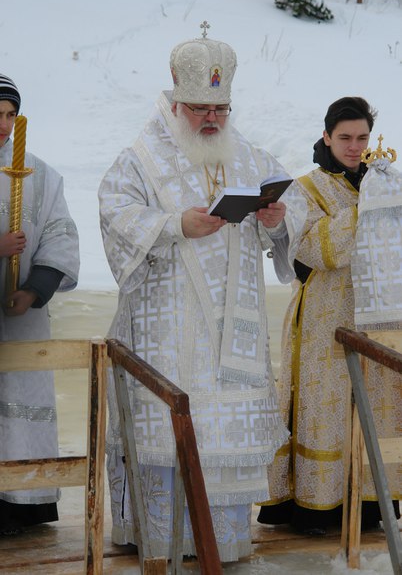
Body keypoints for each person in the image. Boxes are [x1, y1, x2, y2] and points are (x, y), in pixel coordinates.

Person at [98, 28, 306, 562]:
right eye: (200, 108)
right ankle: (162, 540)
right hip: (168, 332)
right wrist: (175, 225)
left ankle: (222, 542)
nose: (212, 118)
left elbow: (295, 206)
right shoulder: (140, 159)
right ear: (175, 100)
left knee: (222, 436)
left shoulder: (248, 155)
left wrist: (276, 219)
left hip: (234, 334)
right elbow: (116, 212)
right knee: (168, 432)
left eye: (221, 108)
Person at [257, 96, 402, 535]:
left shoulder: (387, 183)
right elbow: (315, 250)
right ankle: (317, 505)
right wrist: (365, 209)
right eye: (345, 138)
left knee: (378, 407)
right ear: (326, 137)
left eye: (362, 137)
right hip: (325, 318)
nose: (355, 147)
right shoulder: (306, 188)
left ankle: (373, 503)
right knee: (326, 408)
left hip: (380, 317)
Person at [0, 74, 80, 534]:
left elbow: (60, 234)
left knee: (20, 403)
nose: (4, 125)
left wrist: (33, 289)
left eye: (11, 115)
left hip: (21, 320)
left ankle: (21, 503)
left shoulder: (41, 174)